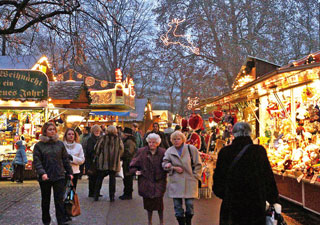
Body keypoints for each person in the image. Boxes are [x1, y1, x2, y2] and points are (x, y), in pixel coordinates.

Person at [213, 122, 279, 225]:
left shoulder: (225, 152)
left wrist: (227, 195)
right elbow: (268, 178)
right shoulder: (258, 151)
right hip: (255, 205)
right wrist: (272, 199)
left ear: (233, 134)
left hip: (231, 205)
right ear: (250, 133)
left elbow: (218, 182)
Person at [33, 122, 73, 225]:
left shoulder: (60, 144)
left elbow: (65, 159)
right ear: (45, 131)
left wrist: (70, 172)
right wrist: (42, 173)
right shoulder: (39, 146)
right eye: (49, 129)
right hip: (45, 177)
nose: (52, 131)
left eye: (53, 129)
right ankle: (46, 220)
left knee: (59, 200)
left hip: (59, 175)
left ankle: (61, 220)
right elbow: (37, 161)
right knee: (45, 200)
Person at [162, 131, 202, 225]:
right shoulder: (169, 151)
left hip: (189, 181)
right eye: (174, 139)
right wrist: (172, 167)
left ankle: (188, 222)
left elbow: (198, 164)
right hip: (175, 181)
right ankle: (181, 223)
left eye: (178, 139)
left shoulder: (191, 149)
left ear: (183, 139)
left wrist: (196, 176)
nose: (176, 141)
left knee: (189, 204)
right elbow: (164, 164)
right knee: (177, 206)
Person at [130, 133, 167, 225]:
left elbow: (167, 163)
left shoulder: (163, 152)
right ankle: (149, 221)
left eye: (154, 142)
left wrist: (168, 168)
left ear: (158, 143)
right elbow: (133, 164)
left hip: (159, 180)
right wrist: (135, 171)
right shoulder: (141, 151)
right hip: (146, 181)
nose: (151, 144)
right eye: (150, 142)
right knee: (148, 204)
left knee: (159, 203)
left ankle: (161, 222)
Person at [93, 125, 124, 202]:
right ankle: (112, 196)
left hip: (104, 161)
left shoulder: (102, 138)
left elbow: (97, 148)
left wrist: (100, 155)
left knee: (99, 178)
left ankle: (96, 195)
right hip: (113, 162)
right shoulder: (118, 139)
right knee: (112, 179)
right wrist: (117, 156)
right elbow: (121, 149)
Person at [119, 127, 136, 200]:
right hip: (128, 161)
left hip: (129, 162)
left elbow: (129, 152)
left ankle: (128, 194)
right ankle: (127, 193)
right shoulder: (128, 140)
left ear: (126, 134)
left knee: (128, 178)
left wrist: (122, 155)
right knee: (127, 178)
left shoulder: (129, 141)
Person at [85, 124, 102, 198]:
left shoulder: (100, 138)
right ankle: (91, 192)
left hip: (98, 161)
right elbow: (89, 150)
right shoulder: (90, 139)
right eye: (96, 130)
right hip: (91, 161)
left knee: (97, 177)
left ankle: (96, 192)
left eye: (98, 130)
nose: (97, 132)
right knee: (92, 177)